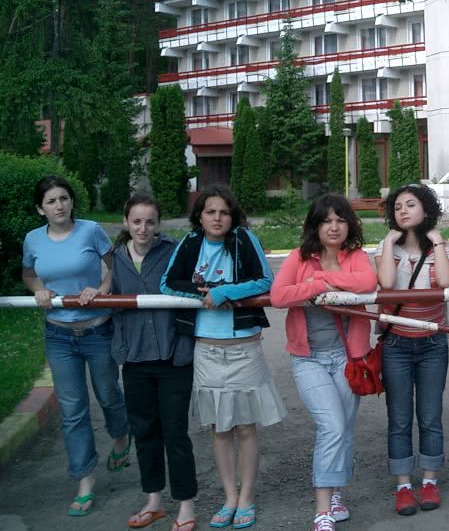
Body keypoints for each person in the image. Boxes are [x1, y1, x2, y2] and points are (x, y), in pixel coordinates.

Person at [161, 185, 285, 530]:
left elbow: (265, 280)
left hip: (244, 348)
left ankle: (247, 498)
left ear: (233, 216)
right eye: (210, 212)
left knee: (245, 426)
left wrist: (226, 291)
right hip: (206, 350)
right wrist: (203, 293)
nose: (217, 218)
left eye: (224, 212)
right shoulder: (190, 243)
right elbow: (167, 283)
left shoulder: (244, 239)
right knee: (220, 428)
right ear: (199, 217)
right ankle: (229, 497)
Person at [21, 174, 131, 517]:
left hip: (97, 330)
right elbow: (28, 273)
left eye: (64, 198)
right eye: (51, 201)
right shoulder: (33, 239)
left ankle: (121, 435)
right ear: (41, 209)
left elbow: (115, 264)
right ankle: (85, 480)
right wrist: (38, 289)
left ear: (71, 202)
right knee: (72, 410)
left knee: (108, 394)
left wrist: (101, 290)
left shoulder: (91, 230)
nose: (59, 206)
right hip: (58, 336)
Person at [270, 195, 377, 531]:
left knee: (344, 427)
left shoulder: (356, 256)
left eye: (341, 220)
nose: (334, 227)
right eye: (327, 220)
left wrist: (320, 284)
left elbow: (367, 283)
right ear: (315, 225)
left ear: (350, 225)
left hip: (348, 358)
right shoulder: (299, 257)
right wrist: (318, 284)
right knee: (332, 425)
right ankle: (322, 511)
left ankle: (336, 493)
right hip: (309, 359)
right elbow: (278, 295)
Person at [110, 194, 198, 530]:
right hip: (135, 358)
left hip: (173, 358)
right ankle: (154, 501)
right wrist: (121, 347)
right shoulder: (116, 257)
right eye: (136, 221)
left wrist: (184, 345)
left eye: (150, 222)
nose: (143, 228)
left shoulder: (174, 251)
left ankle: (186, 505)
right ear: (126, 222)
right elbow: (107, 296)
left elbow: (191, 293)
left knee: (175, 432)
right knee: (144, 432)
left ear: (159, 224)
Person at [375, 184, 449, 516]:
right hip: (396, 344)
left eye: (410, 205)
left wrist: (438, 242)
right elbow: (387, 284)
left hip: (433, 343)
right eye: (397, 207)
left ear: (426, 209)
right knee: (399, 417)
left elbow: (446, 282)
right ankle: (404, 485)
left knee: (430, 415)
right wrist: (388, 244)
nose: (403, 211)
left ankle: (430, 481)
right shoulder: (386, 248)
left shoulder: (443, 247)